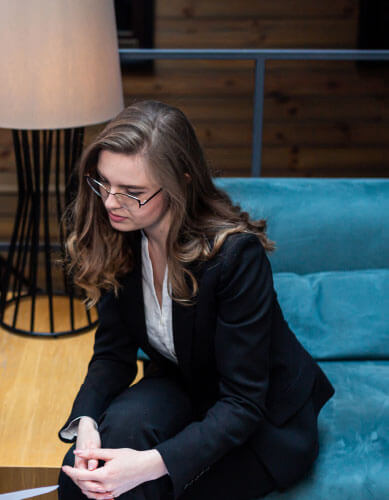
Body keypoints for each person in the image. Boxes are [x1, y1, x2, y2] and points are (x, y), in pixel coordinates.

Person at [57, 101, 334, 500]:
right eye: (104, 182)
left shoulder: (235, 257)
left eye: (133, 192)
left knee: (145, 487)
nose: (111, 202)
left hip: (260, 419)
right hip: (184, 384)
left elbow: (243, 402)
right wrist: (87, 423)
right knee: (81, 473)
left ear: (180, 183)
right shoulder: (121, 237)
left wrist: (150, 463)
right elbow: (113, 356)